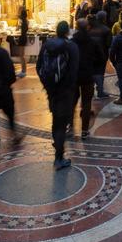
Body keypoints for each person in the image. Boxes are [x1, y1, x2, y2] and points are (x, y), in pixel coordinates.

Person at [36, 21, 79, 170]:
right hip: (65, 92)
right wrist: (68, 87)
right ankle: (59, 158)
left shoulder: (47, 44)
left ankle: (57, 144)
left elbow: (38, 66)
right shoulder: (71, 47)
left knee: (56, 120)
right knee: (62, 124)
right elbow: (73, 71)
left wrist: (47, 85)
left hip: (51, 91)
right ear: (67, 31)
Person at [71, 19, 104, 140]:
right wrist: (93, 66)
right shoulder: (92, 42)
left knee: (72, 102)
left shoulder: (72, 42)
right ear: (88, 27)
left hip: (74, 75)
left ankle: (70, 126)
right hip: (88, 75)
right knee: (86, 103)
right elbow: (101, 58)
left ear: (76, 27)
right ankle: (84, 130)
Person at [89, 11, 112, 99]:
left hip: (91, 55)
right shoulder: (106, 30)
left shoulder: (90, 28)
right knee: (100, 72)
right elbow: (108, 44)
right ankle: (100, 91)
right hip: (102, 54)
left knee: (92, 72)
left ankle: (91, 90)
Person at [13, 7, 29, 78]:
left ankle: (23, 71)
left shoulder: (23, 21)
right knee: (22, 56)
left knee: (21, 56)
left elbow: (18, 16)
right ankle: (23, 71)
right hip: (23, 38)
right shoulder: (25, 20)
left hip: (22, 39)